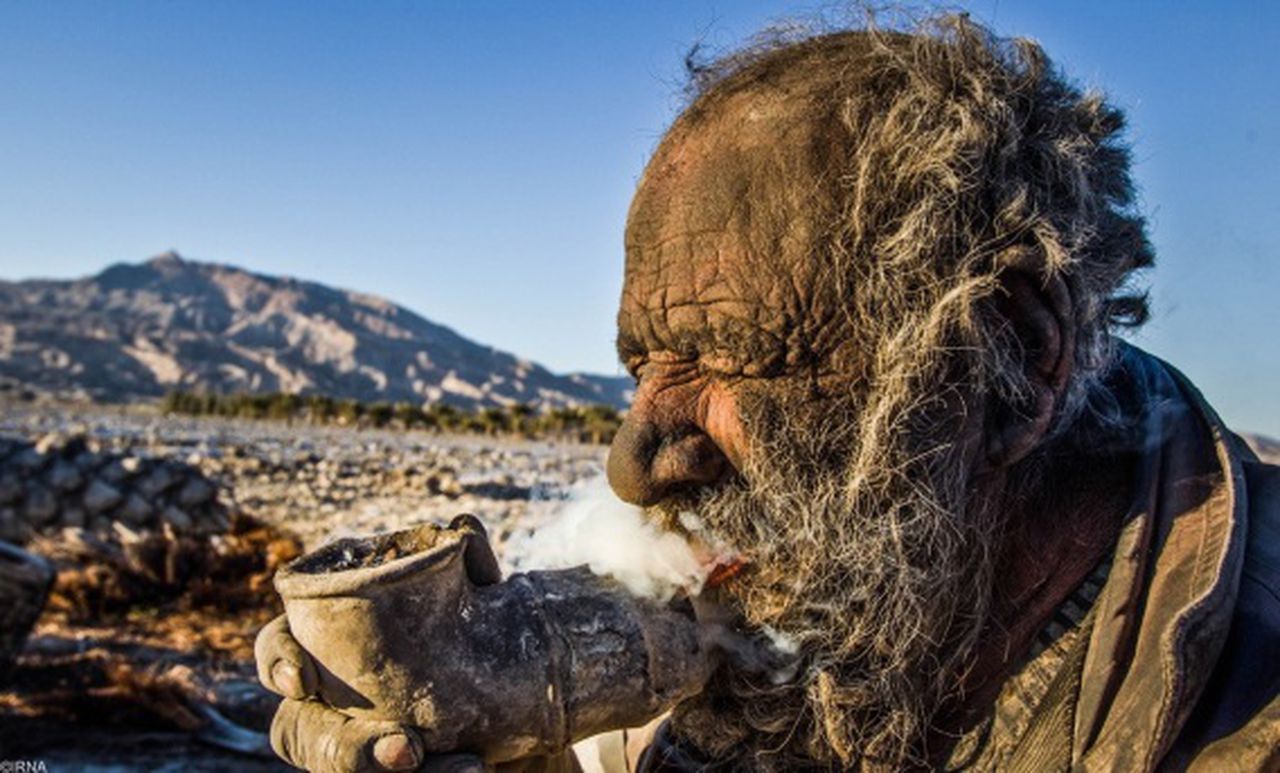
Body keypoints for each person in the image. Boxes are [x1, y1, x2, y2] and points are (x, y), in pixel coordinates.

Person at [256, 13, 1280, 771]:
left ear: (1004, 362)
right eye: (640, 363)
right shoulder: (805, 636)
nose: (632, 465)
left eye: (728, 353)